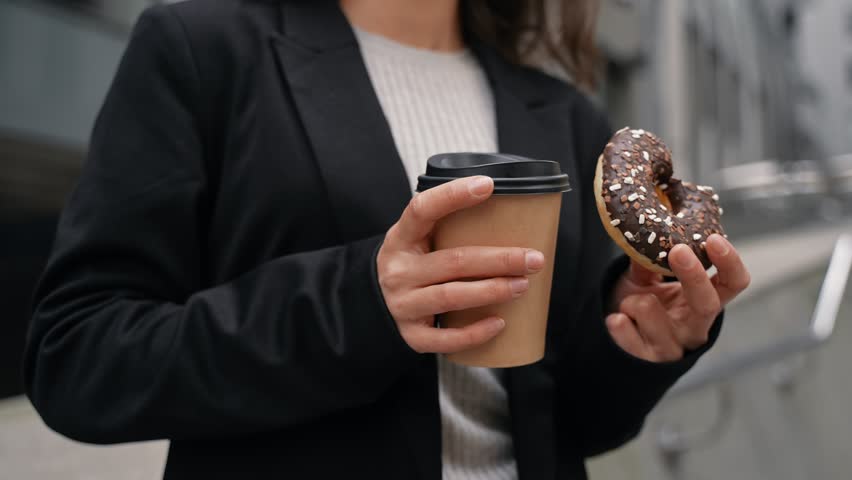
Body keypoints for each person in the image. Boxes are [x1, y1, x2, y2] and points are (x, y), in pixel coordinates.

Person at [23, 0, 750, 479]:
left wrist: (641, 347)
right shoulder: (204, 53)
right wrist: (358, 303)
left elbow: (567, 419)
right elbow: (79, 356)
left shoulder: (565, 116)